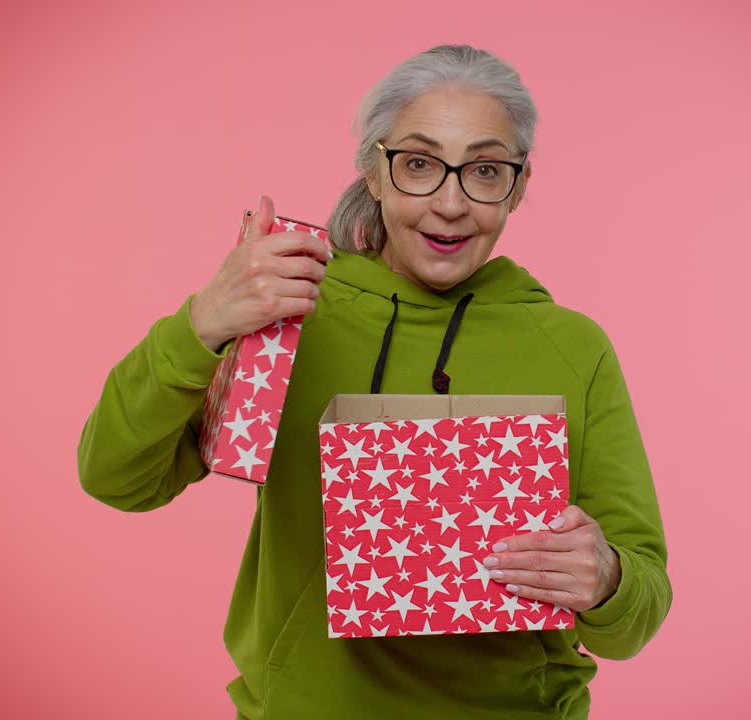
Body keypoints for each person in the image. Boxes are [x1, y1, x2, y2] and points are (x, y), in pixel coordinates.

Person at [78, 44, 672, 719]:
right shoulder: (284, 313)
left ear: (519, 184)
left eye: (483, 171)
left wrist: (608, 580)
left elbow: (638, 610)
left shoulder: (573, 346)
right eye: (419, 164)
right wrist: (202, 324)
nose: (450, 204)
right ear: (374, 170)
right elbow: (116, 476)